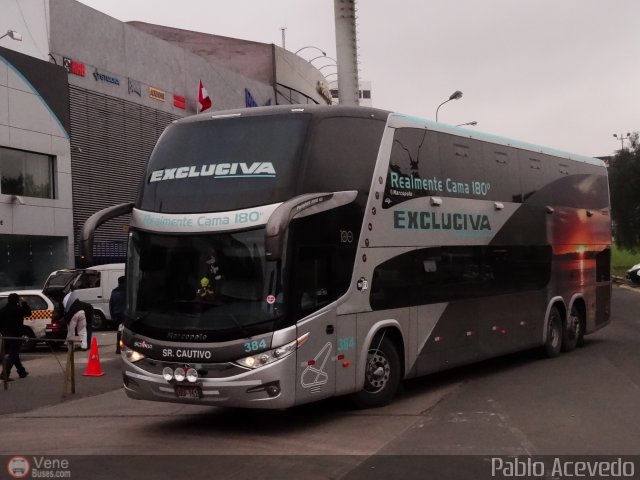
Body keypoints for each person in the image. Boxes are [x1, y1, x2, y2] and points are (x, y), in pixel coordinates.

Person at [0, 293, 32, 380]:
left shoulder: (3, 310)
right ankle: (5, 374)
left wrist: (3, 333)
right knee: (13, 355)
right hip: (16, 335)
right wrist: (24, 302)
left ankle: (22, 372)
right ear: (17, 300)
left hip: (6, 336)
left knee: (14, 354)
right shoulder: (18, 309)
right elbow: (28, 313)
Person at [109, 276, 126, 354]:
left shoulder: (114, 291)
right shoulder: (127, 290)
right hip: (125, 314)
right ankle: (124, 347)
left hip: (117, 314)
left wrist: (112, 315)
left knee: (119, 332)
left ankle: (118, 347)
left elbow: (111, 304)